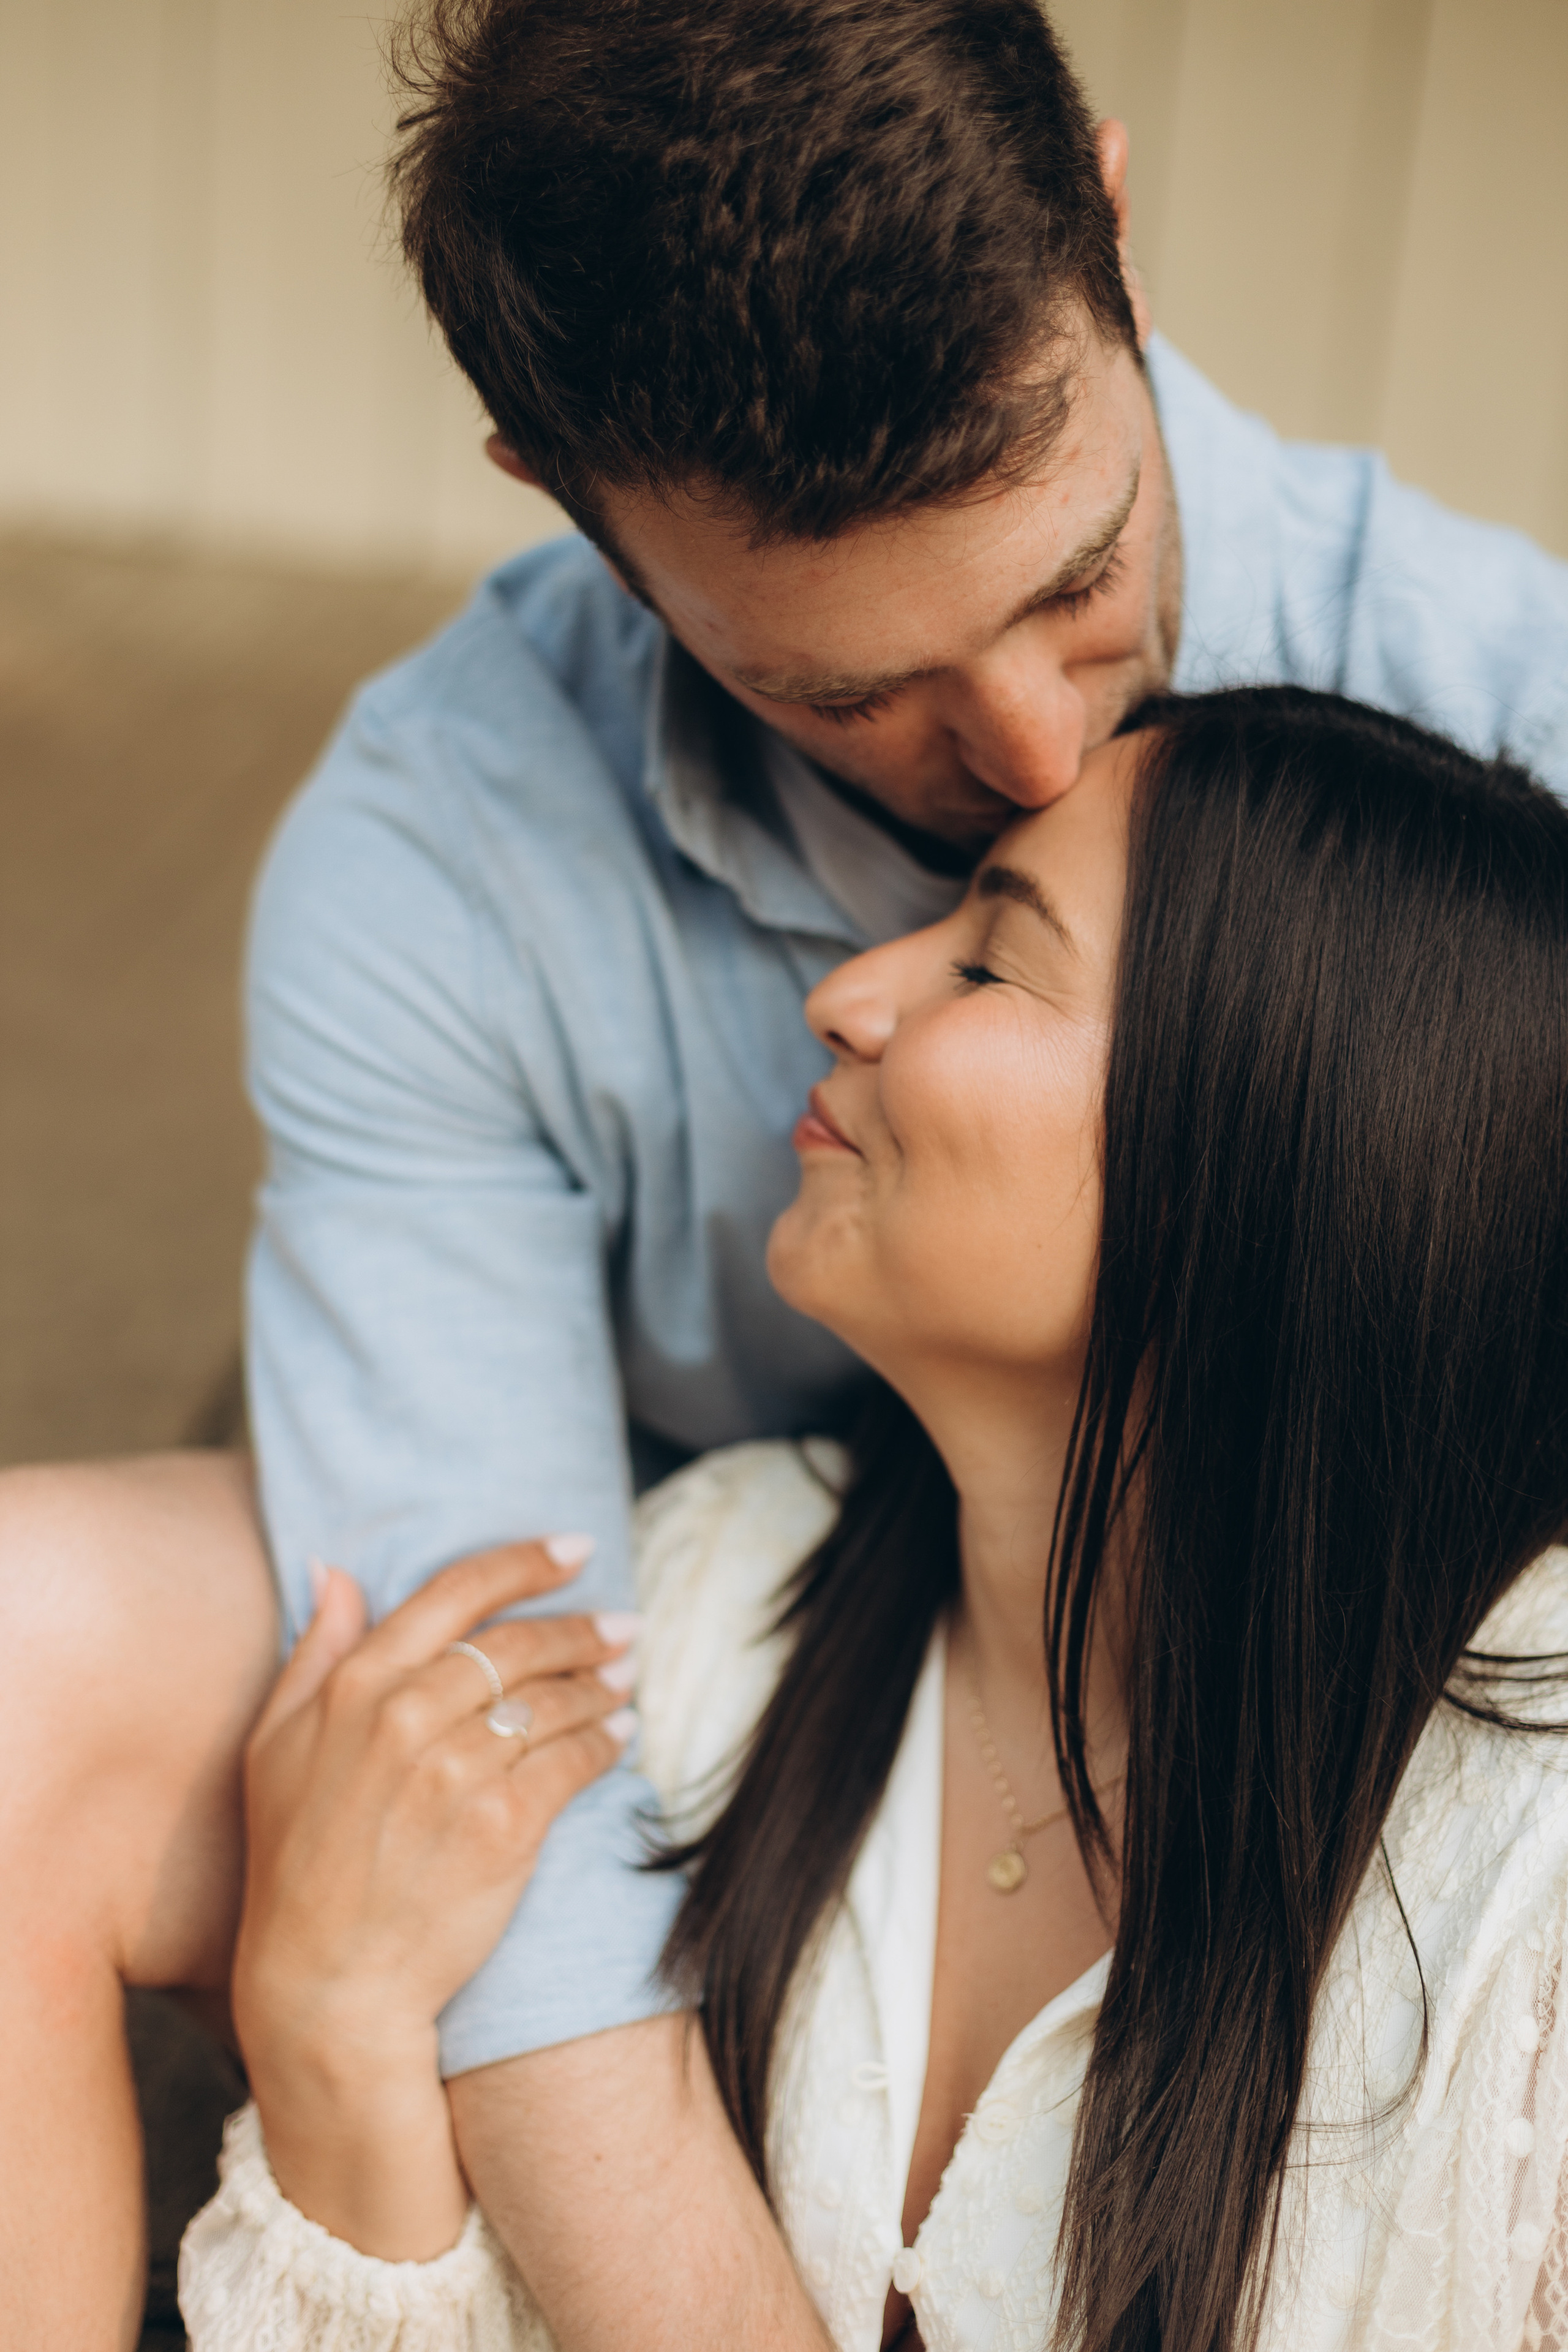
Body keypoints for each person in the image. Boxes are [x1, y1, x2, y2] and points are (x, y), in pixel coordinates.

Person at [3, 1, 1568, 2340]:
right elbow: (499, 1685)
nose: (1037, 741)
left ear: (1110, 230)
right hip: (726, 1626)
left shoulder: (1505, 702)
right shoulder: (432, 865)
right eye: (856, 695)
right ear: (559, 483)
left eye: (1079, 575)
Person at [180, 687, 1568, 2350]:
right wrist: (329, 2036)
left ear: (1267, 1157)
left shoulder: (1529, 1900)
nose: (846, 997)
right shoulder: (703, 1605)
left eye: (991, 962)